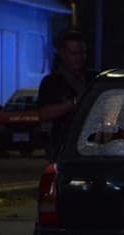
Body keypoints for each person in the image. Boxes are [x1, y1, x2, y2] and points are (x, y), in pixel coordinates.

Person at [38, 30, 96, 158]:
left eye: (82, 53)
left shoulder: (94, 78)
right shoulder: (52, 82)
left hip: (93, 146)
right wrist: (75, 102)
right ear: (63, 54)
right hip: (64, 149)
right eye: (74, 53)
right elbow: (44, 114)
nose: (79, 58)